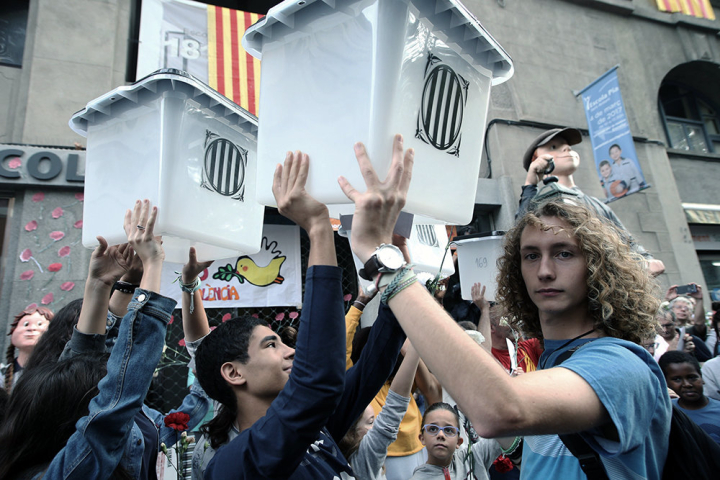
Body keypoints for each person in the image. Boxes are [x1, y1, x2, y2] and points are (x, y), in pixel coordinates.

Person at [338, 137, 670, 478]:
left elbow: (500, 410)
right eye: (530, 255)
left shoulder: (621, 364)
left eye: (564, 252)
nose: (544, 270)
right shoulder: (547, 363)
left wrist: (387, 266)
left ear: (602, 267)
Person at [193, 151, 406, 479]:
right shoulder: (235, 465)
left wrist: (394, 267)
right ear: (234, 372)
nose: (291, 350)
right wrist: (319, 228)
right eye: (270, 345)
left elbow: (376, 362)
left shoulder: (316, 427)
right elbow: (318, 381)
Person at [0, 199, 176, 478]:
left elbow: (86, 362)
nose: (109, 340)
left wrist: (104, 282)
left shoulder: (45, 407)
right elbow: (119, 395)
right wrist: (153, 265)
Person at [516, 127, 664, 276]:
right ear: (536, 161)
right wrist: (530, 183)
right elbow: (520, 233)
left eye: (567, 146)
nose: (567, 149)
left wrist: (646, 259)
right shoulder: (541, 203)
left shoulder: (597, 205)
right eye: (554, 147)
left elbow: (626, 241)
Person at [339, 340, 419, 480]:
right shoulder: (362, 460)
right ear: (350, 433)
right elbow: (394, 409)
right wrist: (415, 349)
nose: (376, 426)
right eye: (370, 422)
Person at [408, 403, 510, 480]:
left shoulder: (475, 457)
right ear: (422, 438)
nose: (440, 435)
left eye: (448, 430)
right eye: (433, 429)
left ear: (458, 442)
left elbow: (507, 427)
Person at [659, 351, 720, 444]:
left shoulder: (717, 410)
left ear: (702, 378)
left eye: (692, 377)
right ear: (666, 383)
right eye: (677, 379)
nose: (687, 384)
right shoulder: (666, 412)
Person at [2, 306, 53, 391]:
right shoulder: (2, 375)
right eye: (26, 324)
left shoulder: (57, 373)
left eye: (39, 324)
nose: (31, 328)